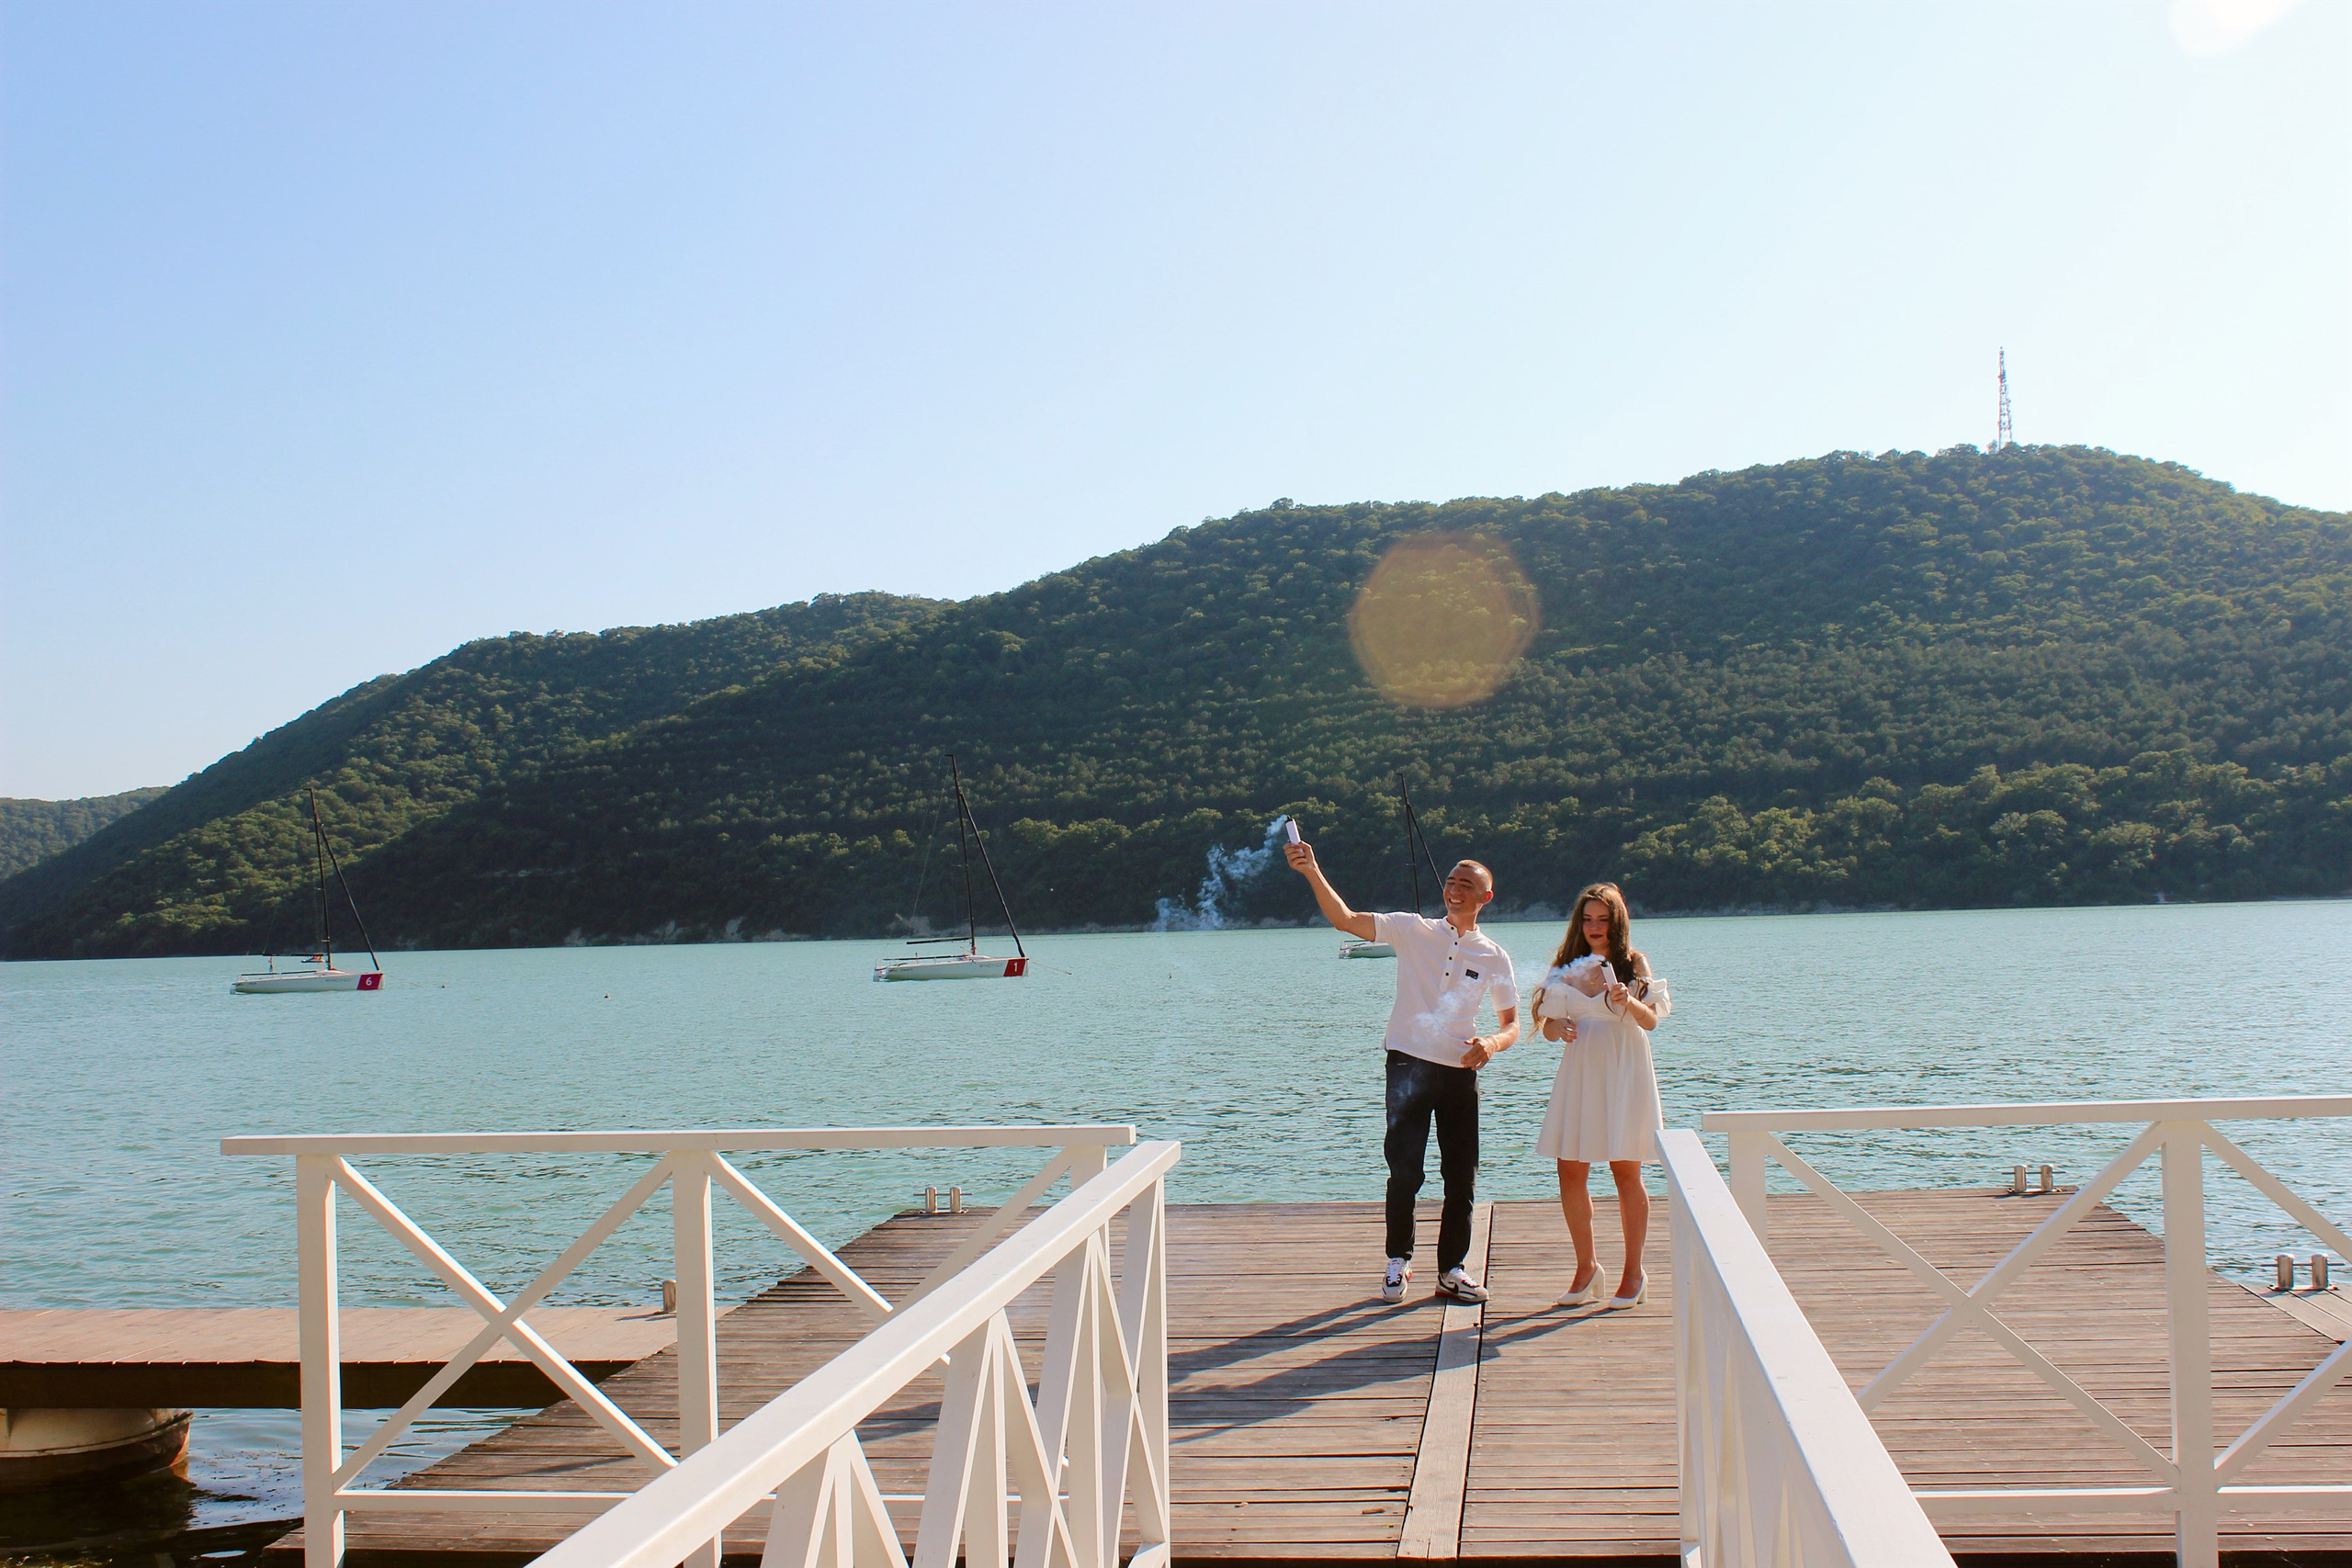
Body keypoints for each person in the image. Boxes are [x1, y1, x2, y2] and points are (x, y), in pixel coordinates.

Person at [1285, 833, 1520, 1304]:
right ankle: (1398, 1260)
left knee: (1461, 1175)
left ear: (1485, 897)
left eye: (1467, 884)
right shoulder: (1412, 929)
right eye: (1451, 881)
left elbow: (1512, 1023)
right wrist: (1311, 869)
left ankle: (1452, 1270)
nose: (1455, 889)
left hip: (1459, 1073)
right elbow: (1345, 920)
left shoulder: (1493, 956)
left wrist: (1492, 1043)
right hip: (1408, 1066)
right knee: (1405, 1170)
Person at [1530, 882, 1668, 1309]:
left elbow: (1652, 1022)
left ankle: (1634, 1273)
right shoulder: (1567, 964)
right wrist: (1558, 1029)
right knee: (1569, 1169)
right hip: (1582, 1070)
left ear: (1617, 922)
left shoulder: (1633, 962)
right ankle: (1587, 1268)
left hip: (1624, 1069)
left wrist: (1628, 1001)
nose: (1594, 927)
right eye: (1587, 919)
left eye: (1603, 920)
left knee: (1626, 1171)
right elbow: (1548, 1023)